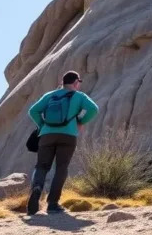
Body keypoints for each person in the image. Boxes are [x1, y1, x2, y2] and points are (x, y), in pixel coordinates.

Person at [26, 70, 99, 215]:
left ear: (63, 82)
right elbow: (93, 109)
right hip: (68, 135)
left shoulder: (50, 95)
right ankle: (52, 203)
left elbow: (33, 111)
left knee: (42, 166)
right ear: (76, 82)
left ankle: (37, 188)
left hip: (47, 135)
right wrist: (80, 120)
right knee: (61, 167)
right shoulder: (79, 96)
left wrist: (42, 126)